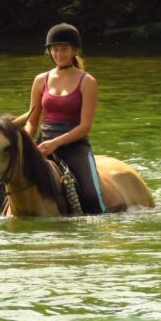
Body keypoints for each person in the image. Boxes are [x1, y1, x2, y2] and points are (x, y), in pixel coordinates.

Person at [24, 23, 107, 214]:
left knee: (92, 197)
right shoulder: (40, 80)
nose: (59, 54)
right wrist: (26, 140)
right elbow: (32, 120)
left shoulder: (87, 82)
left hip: (75, 147)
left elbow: (85, 126)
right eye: (55, 49)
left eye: (64, 49)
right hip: (43, 145)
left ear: (75, 50)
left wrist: (55, 143)